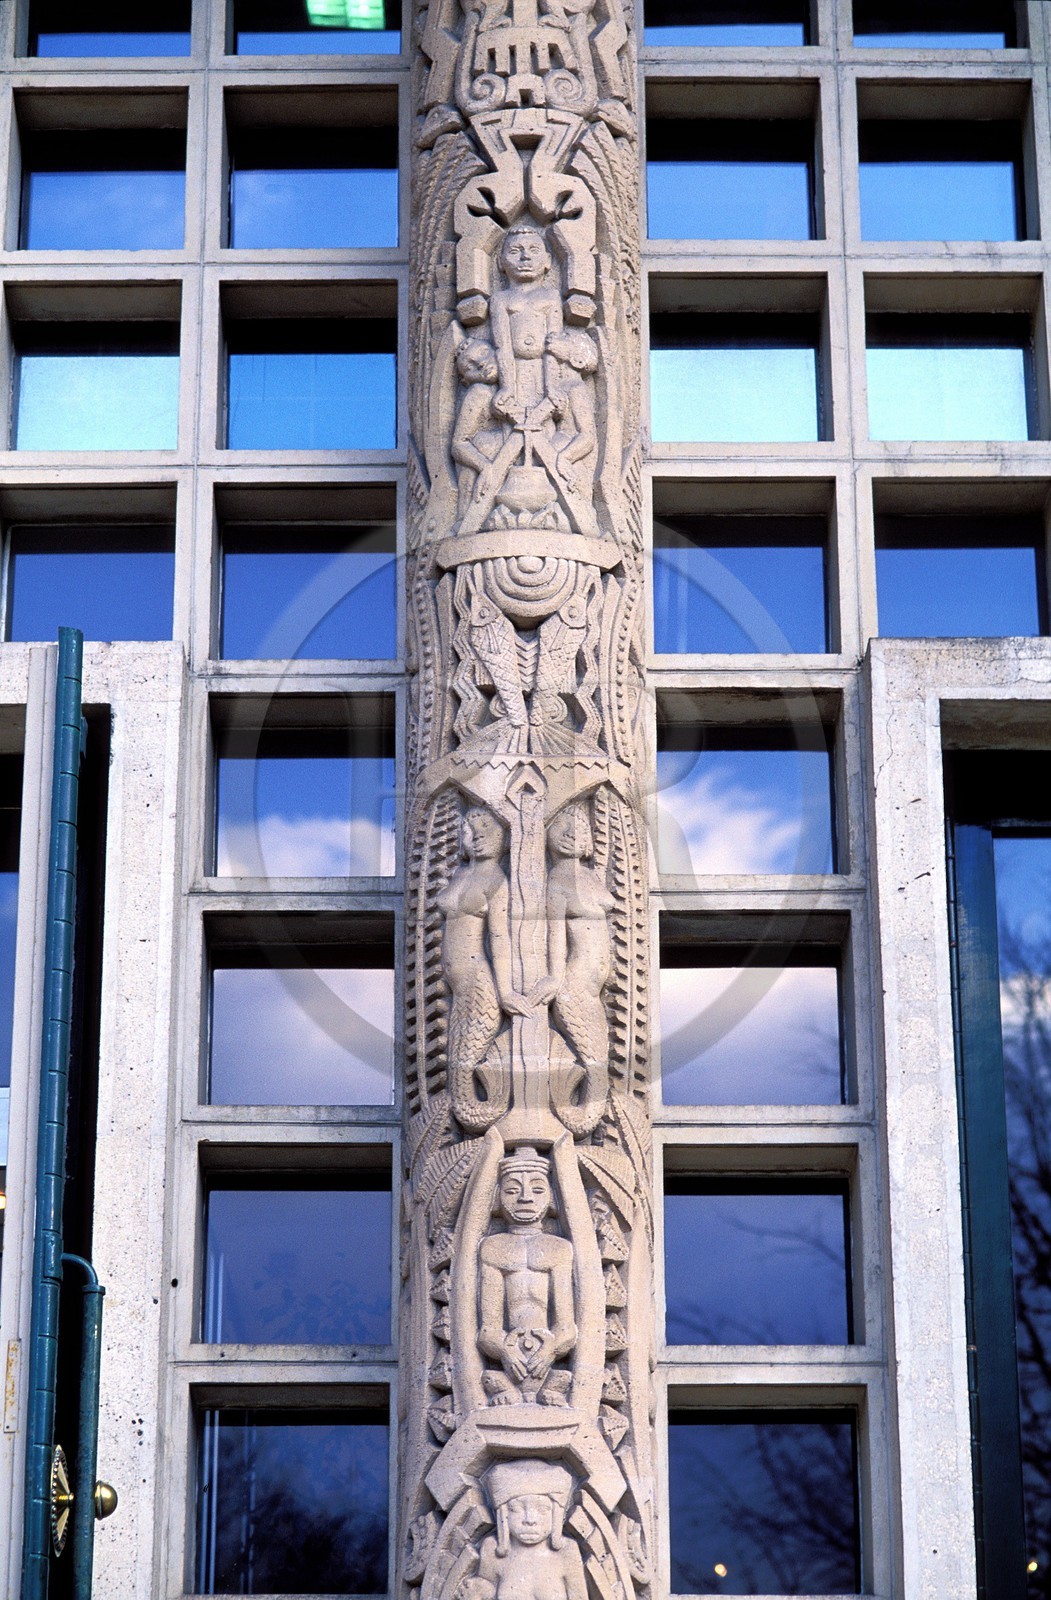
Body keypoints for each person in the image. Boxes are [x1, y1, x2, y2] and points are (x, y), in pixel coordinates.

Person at [438, 808, 531, 1127]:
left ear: (502, 839)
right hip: (456, 985)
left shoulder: (495, 880)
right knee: (455, 1054)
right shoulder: (460, 875)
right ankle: (469, 1105)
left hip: (479, 983)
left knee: (465, 1058)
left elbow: (500, 938)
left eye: (487, 831)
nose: (478, 837)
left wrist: (505, 992)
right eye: (471, 831)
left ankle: (488, 1107)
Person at [478, 1147, 576, 1406]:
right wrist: (506, 1352)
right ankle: (510, 1392)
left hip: (549, 1358)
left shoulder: (559, 1248)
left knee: (563, 1378)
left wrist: (550, 1350)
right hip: (507, 1358)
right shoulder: (493, 1247)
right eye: (512, 1191)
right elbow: (488, 1329)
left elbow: (566, 1327)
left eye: (538, 1189)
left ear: (552, 1197)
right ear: (497, 1197)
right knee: (490, 1378)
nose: (525, 1198)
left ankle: (544, 1392)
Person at [457, 1460, 588, 1600]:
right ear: (503, 1514)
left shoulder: (567, 1551)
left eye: (542, 1509)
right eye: (516, 1509)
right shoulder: (491, 1548)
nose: (530, 1520)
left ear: (556, 1514)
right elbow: (484, 1591)